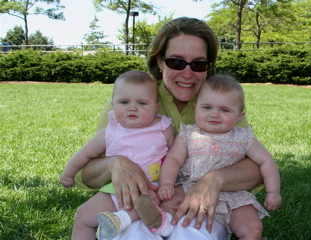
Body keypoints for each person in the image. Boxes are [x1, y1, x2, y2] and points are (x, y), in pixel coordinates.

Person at [74, 17, 264, 240]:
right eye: (176, 62)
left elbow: (257, 168)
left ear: (208, 67)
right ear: (160, 61)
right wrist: (114, 164)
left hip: (196, 208)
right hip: (139, 205)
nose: (187, 73)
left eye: (199, 64)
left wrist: (215, 179)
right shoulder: (131, 102)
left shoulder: (219, 104)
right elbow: (83, 176)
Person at [136, 75, 282, 239]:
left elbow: (266, 161)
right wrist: (167, 183)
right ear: (196, 107)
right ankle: (163, 223)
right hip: (189, 188)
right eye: (207, 108)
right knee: (166, 203)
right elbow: (173, 159)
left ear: (239, 116)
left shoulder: (244, 137)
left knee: (253, 227)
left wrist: (273, 192)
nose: (214, 114)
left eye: (224, 110)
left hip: (233, 195)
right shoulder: (188, 133)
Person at [60, 70, 175, 240]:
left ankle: (150, 220)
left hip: (151, 189)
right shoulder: (109, 133)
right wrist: (68, 174)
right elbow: (84, 155)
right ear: (113, 104)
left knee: (148, 202)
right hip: (115, 190)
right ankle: (144, 220)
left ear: (156, 107)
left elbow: (176, 157)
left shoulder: (163, 128)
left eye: (142, 103)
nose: (132, 107)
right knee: (82, 216)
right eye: (124, 102)